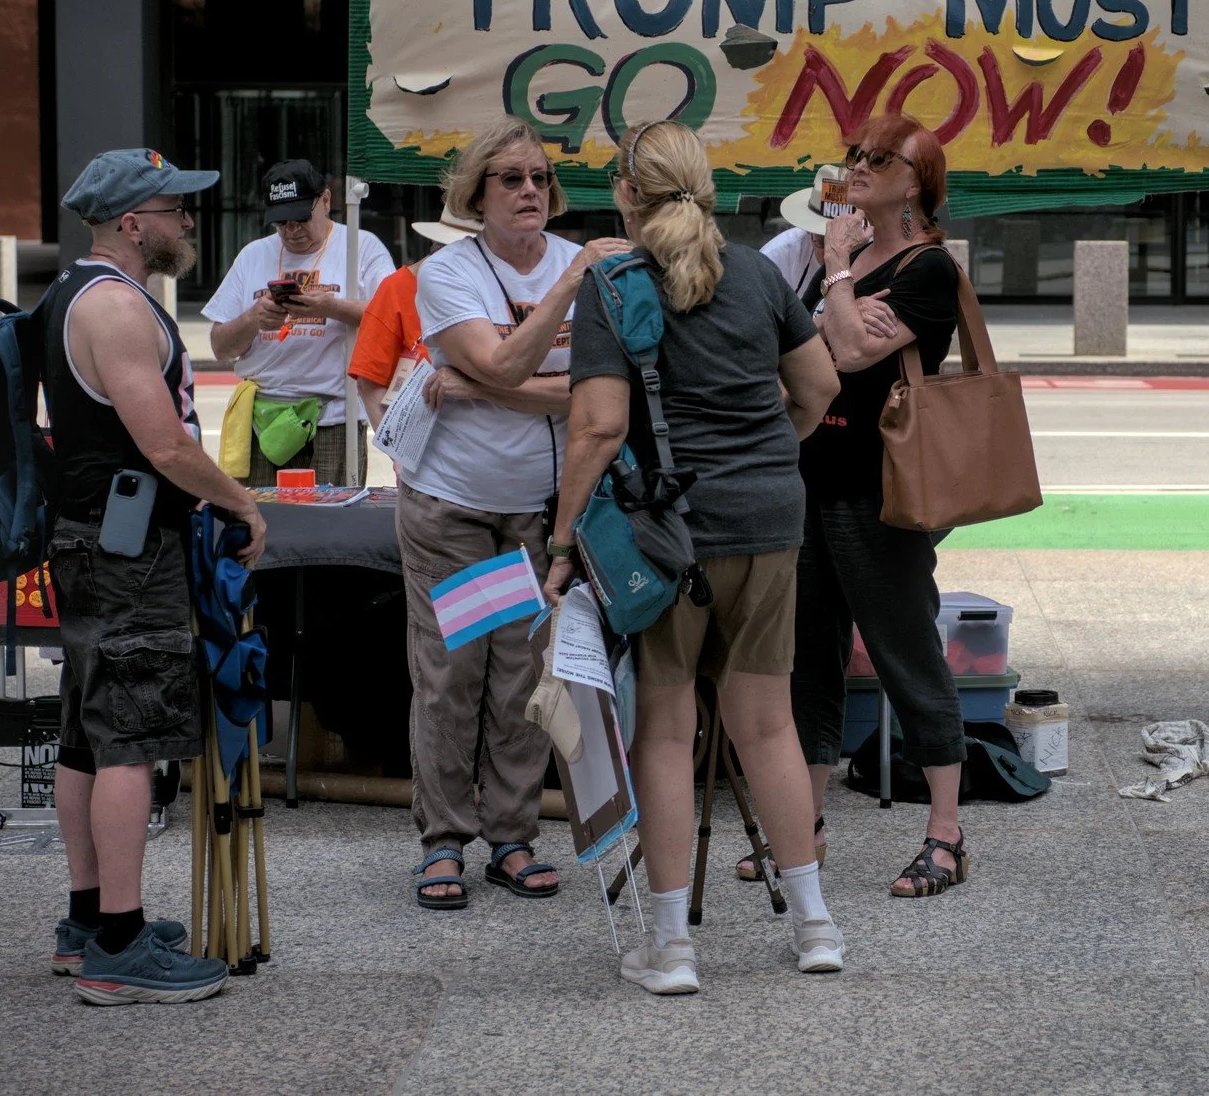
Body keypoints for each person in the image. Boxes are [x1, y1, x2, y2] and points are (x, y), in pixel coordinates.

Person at [543, 120, 842, 995]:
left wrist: (561, 543)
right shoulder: (756, 272)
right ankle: (816, 926)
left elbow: (597, 426)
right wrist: (764, 454)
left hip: (668, 537)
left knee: (667, 733)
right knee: (769, 725)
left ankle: (672, 949)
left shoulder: (614, 283)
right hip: (773, 521)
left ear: (626, 195)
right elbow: (818, 389)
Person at [38, 148, 269, 1005]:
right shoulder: (117, 309)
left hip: (90, 539)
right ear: (132, 222)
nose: (186, 222)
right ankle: (121, 950)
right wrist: (242, 503)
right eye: (174, 209)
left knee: (87, 735)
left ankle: (88, 921)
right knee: (130, 736)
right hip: (127, 549)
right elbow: (165, 444)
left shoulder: (74, 294)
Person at [398, 121, 629, 909]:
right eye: (510, 179)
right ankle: (443, 842)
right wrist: (564, 295)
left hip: (540, 514)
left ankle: (512, 838)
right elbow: (503, 358)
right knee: (451, 676)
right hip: (454, 508)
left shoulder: (586, 261)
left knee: (525, 680)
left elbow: (604, 395)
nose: (530, 191)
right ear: (475, 195)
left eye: (539, 177)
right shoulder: (449, 274)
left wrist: (484, 387)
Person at [790, 112, 971, 899]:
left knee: (903, 651)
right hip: (809, 476)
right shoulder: (851, 260)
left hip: (881, 485)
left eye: (878, 158)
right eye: (855, 154)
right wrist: (837, 287)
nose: (857, 166)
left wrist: (835, 271)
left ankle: (947, 833)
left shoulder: (928, 269)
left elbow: (856, 349)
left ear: (917, 182)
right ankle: (806, 829)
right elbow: (803, 349)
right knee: (807, 660)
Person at [203, 158, 395, 485]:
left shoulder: (360, 247)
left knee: (329, 522)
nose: (292, 232)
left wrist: (331, 307)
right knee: (264, 519)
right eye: (282, 223)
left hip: (333, 415)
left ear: (325, 201)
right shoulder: (253, 255)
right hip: (264, 416)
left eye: (301, 220)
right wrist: (253, 318)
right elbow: (220, 346)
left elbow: (389, 316)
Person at [348, 206, 481, 431]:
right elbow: (369, 382)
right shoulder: (396, 289)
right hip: (424, 445)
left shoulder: (485, 287)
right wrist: (397, 452)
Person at [760, 162, 849, 300]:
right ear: (808, 231)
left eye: (845, 239)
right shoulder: (776, 258)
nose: (834, 250)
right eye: (823, 241)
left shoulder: (879, 252)